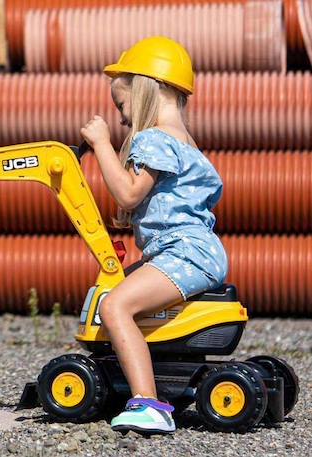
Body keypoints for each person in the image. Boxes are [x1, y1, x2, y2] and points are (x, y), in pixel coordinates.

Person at [80, 36, 229, 435]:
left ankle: (149, 405)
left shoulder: (155, 139)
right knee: (126, 296)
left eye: (122, 107)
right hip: (195, 251)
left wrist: (100, 146)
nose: (123, 119)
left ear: (147, 88)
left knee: (114, 307)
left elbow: (128, 193)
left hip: (185, 253)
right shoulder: (188, 144)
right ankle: (152, 377)